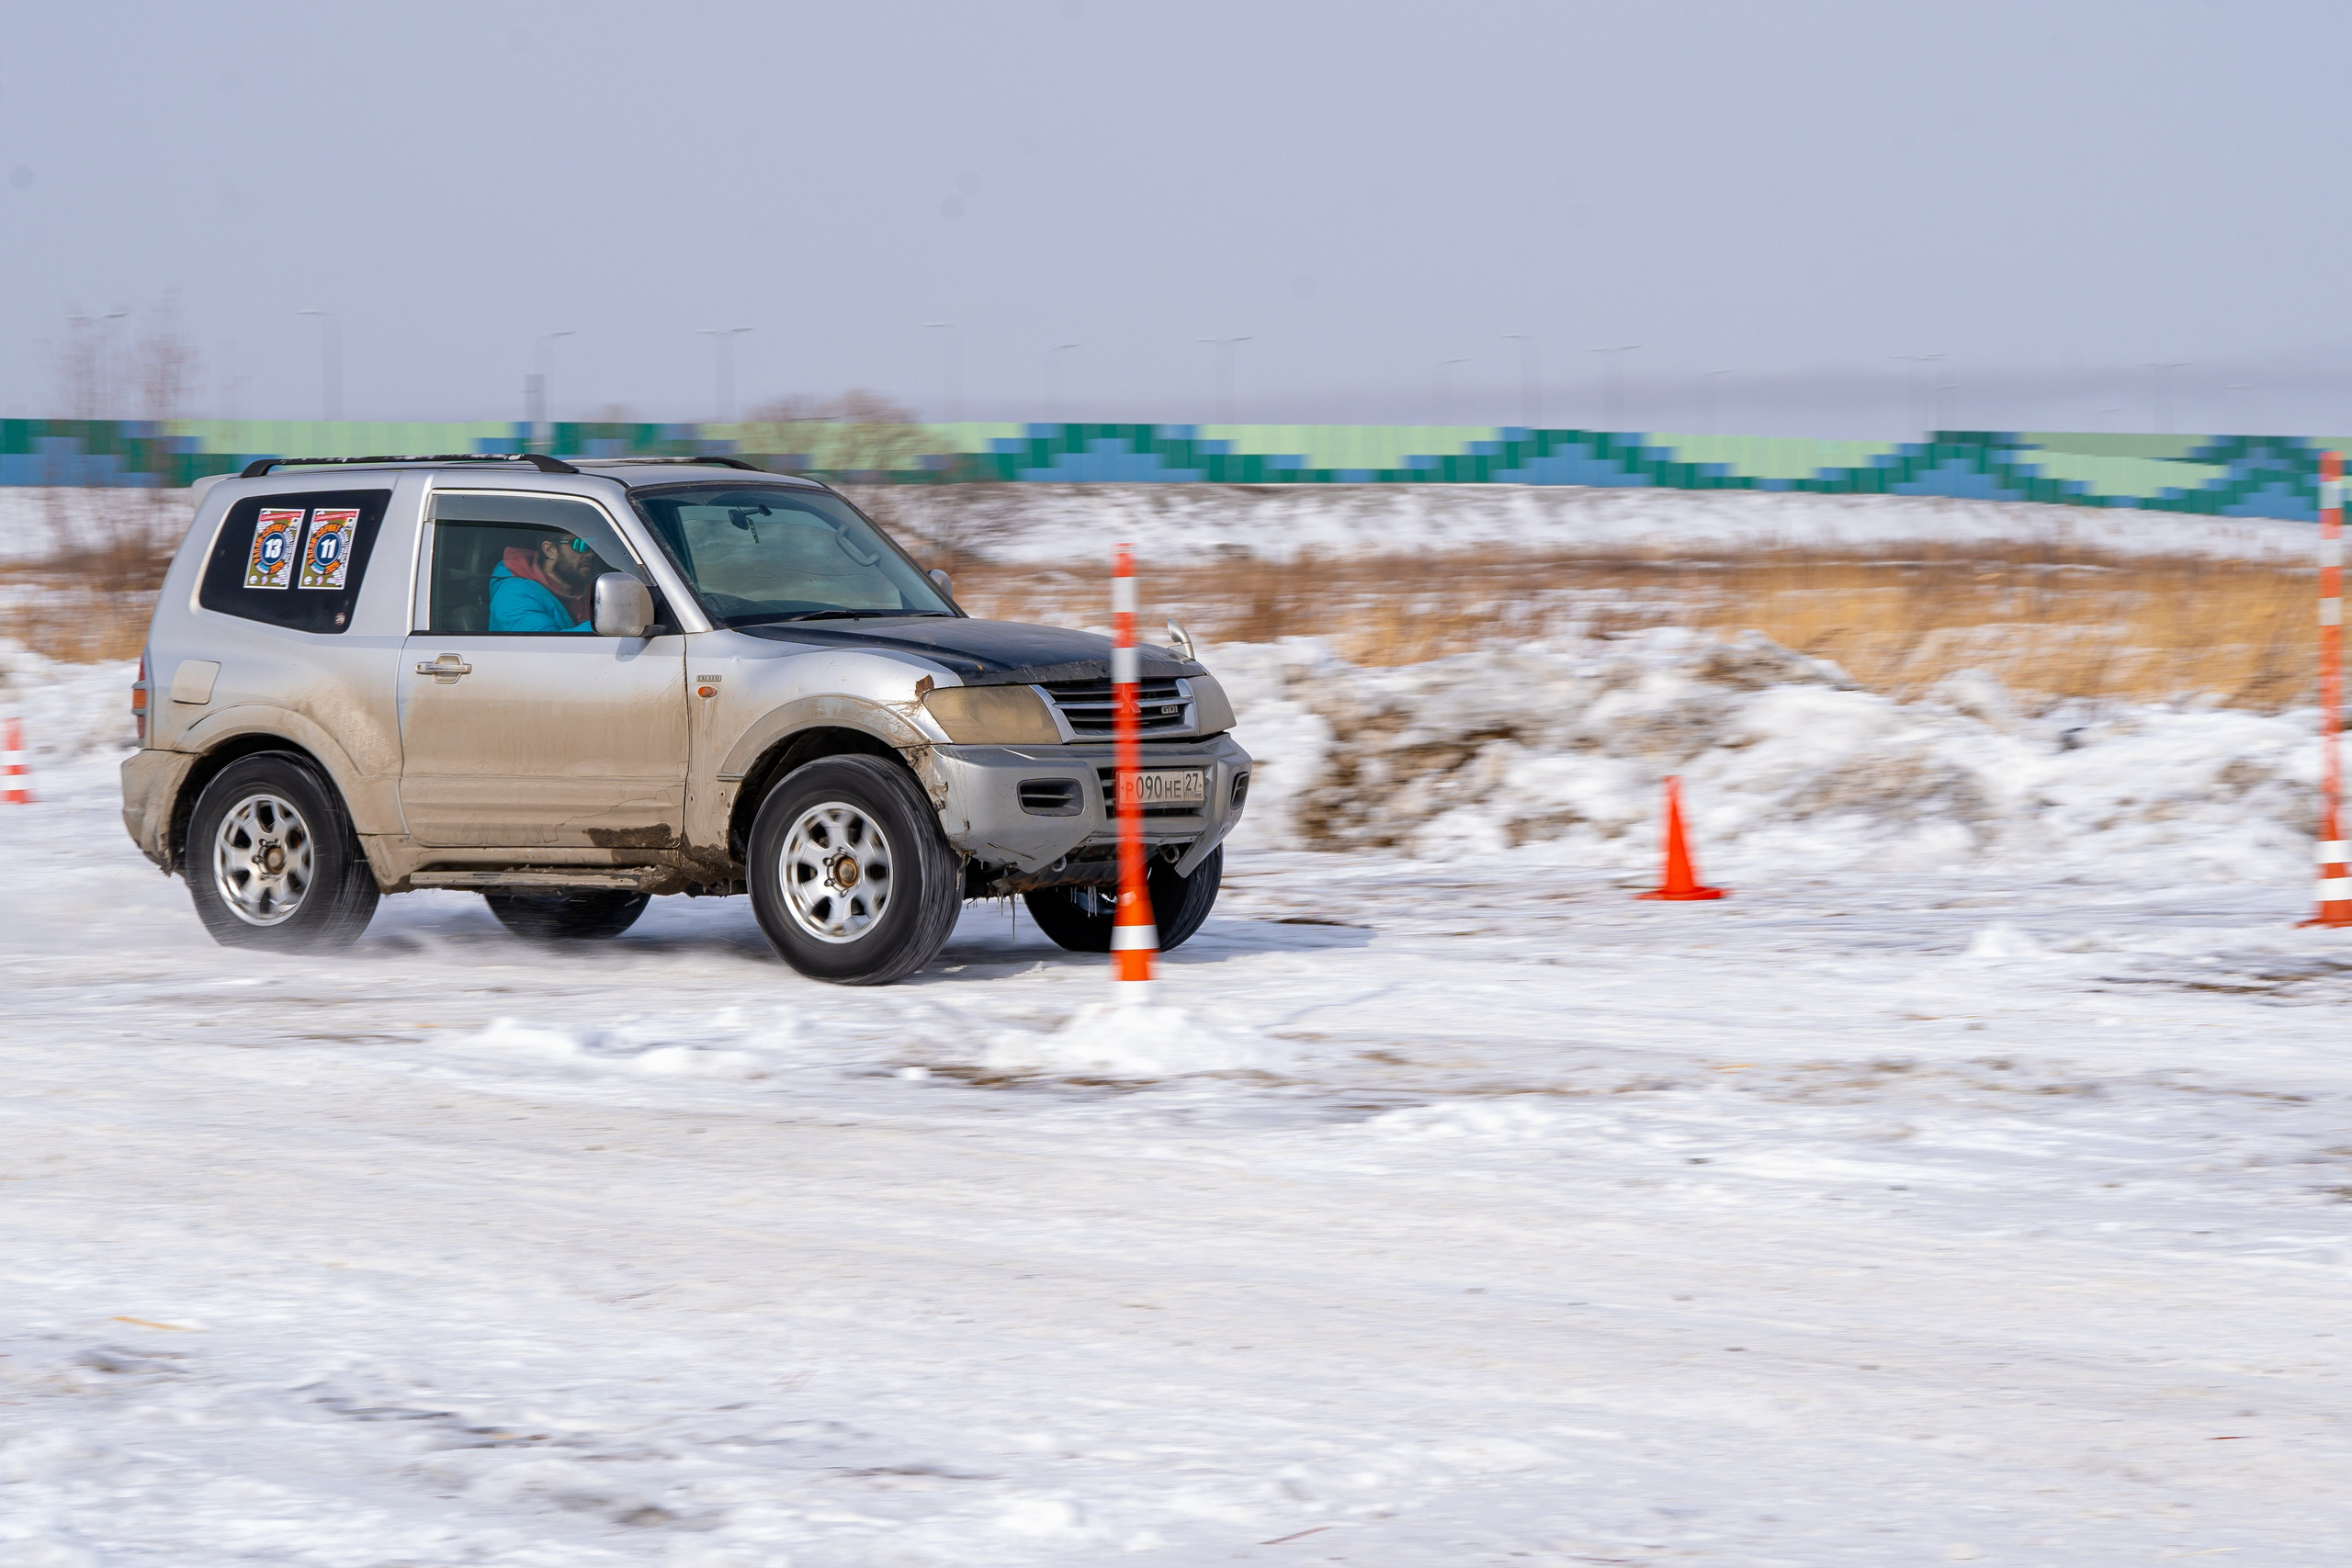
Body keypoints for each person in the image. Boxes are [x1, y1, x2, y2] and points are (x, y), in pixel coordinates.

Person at [489, 534, 603, 633]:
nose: (590, 553)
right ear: (550, 550)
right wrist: (605, 623)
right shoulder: (514, 594)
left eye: (592, 544)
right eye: (580, 544)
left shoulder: (590, 590)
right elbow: (544, 645)